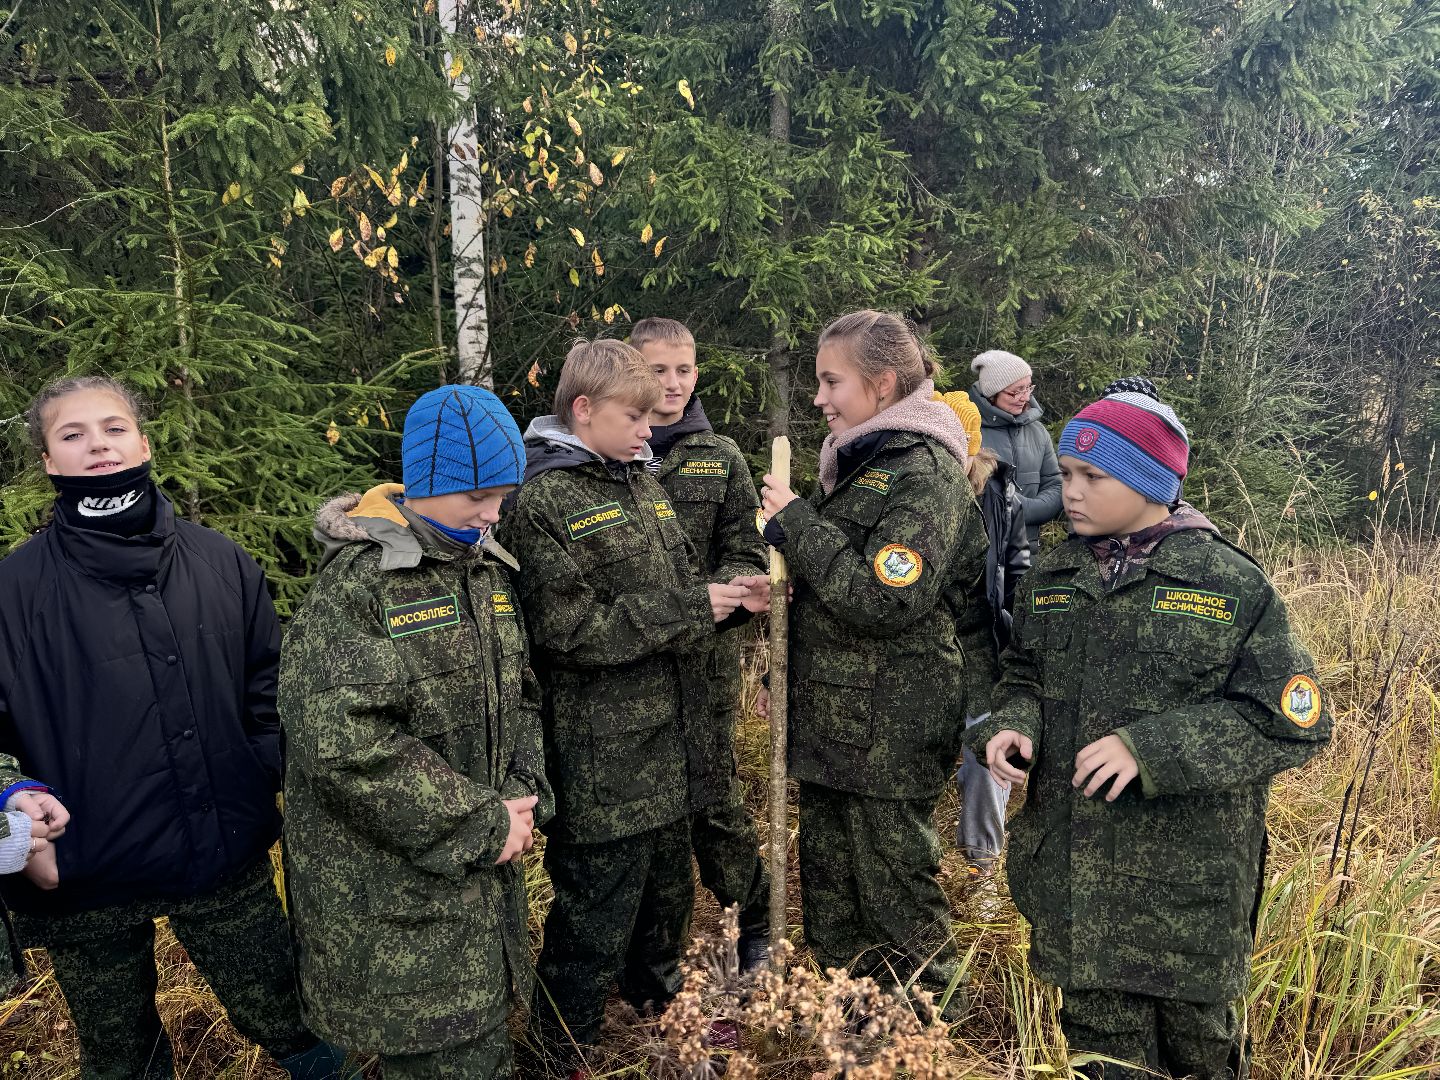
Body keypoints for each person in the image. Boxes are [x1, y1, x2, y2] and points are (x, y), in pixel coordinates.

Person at [967, 378, 1332, 1078]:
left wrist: (1151, 748)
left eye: (1092, 477)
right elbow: (1023, 675)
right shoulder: (1055, 573)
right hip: (1079, 892)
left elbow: (1292, 720)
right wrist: (1011, 726)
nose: (1068, 491)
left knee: (1201, 1058)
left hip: (1186, 907)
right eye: (1066, 474)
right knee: (1101, 1059)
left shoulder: (1228, 584)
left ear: (1149, 481)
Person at [0, 376, 344, 1080]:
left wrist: (261, 774)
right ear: (48, 463)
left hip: (221, 851)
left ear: (144, 441)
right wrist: (12, 799)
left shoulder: (220, 561)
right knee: (121, 1055)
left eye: (114, 427)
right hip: (81, 875)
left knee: (292, 1019)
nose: (97, 443)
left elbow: (270, 688)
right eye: (73, 435)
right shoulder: (13, 590)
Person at [496, 339, 761, 1076]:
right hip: (603, 756)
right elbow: (567, 630)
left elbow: (686, 589)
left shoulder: (639, 480)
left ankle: (660, 1011)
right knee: (593, 917)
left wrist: (733, 603)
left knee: (667, 899)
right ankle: (560, 1051)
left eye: (653, 414)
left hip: (669, 742)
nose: (651, 428)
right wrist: (691, 608)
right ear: (584, 410)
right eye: (634, 414)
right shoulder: (543, 499)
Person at [279, 385, 552, 1078]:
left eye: (504, 495)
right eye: (478, 497)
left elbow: (521, 695)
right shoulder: (362, 585)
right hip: (397, 903)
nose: (494, 514)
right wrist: (484, 825)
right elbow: (344, 745)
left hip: (478, 882)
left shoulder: (485, 569)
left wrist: (521, 794)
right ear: (429, 483)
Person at [756, 311, 988, 1018]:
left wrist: (798, 522)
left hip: (890, 729)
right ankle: (851, 1027)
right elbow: (831, 592)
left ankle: (929, 1034)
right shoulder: (857, 465)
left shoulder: (924, 476)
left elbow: (886, 598)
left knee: (893, 890)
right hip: (834, 724)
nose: (820, 397)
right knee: (833, 890)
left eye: (833, 381)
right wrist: (780, 673)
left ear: (882, 384)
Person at [630, 316, 772, 971]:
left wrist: (716, 600)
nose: (674, 383)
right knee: (644, 818)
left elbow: (745, 548)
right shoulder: (604, 457)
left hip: (701, 668)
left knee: (711, 806)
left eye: (684, 369)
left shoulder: (719, 458)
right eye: (658, 370)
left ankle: (757, 922)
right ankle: (655, 953)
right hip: (623, 672)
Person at [935, 392, 1030, 881]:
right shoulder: (918, 488)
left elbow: (1016, 565)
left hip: (982, 640)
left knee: (985, 755)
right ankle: (919, 864)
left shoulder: (997, 491)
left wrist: (1020, 632)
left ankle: (982, 865)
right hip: (928, 647)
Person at [967, 349, 1062, 548]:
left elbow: (1055, 484)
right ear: (992, 393)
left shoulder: (1038, 432)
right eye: (1016, 391)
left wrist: (1024, 509)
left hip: (1027, 553)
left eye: (1028, 388)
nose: (1025, 397)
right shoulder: (968, 429)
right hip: (977, 553)